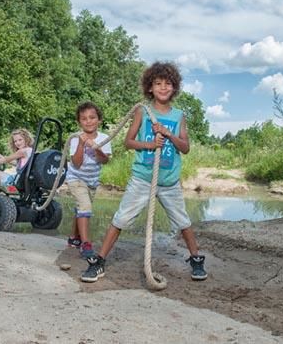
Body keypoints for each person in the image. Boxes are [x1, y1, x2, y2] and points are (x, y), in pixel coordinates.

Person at [81, 61, 207, 283]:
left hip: (169, 181)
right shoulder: (142, 111)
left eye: (168, 83)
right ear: (150, 87)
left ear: (174, 87)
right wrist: (149, 145)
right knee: (121, 218)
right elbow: (129, 142)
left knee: (182, 221)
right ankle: (99, 261)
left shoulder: (179, 116)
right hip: (142, 178)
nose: (163, 87)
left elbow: (185, 148)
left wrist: (168, 134)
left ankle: (196, 259)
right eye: (158, 83)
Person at [66, 102, 112, 258]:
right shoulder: (74, 138)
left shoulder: (104, 138)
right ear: (79, 122)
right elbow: (77, 164)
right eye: (84, 118)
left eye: (92, 117)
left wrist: (95, 147)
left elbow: (105, 160)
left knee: (81, 208)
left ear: (99, 120)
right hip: (76, 177)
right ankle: (86, 244)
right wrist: (81, 143)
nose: (88, 121)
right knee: (85, 206)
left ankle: (74, 238)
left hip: (92, 180)